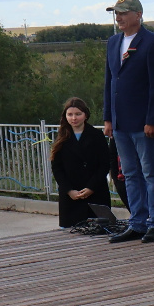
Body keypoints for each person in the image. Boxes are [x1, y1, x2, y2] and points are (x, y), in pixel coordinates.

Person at [102, 0, 154, 243]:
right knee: (130, 173)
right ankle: (137, 222)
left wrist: (152, 119)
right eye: (116, 13)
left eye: (123, 13)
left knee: (151, 172)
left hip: (143, 121)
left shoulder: (152, 42)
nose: (118, 17)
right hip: (120, 121)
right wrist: (108, 117)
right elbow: (110, 82)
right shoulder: (113, 42)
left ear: (138, 15)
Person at [50, 98, 113, 228]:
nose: (74, 118)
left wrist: (91, 188)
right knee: (71, 232)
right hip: (71, 197)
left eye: (78, 114)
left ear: (85, 115)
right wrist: (69, 190)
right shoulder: (61, 137)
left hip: (96, 193)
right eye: (70, 114)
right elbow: (57, 168)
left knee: (99, 231)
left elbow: (105, 164)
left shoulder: (96, 135)